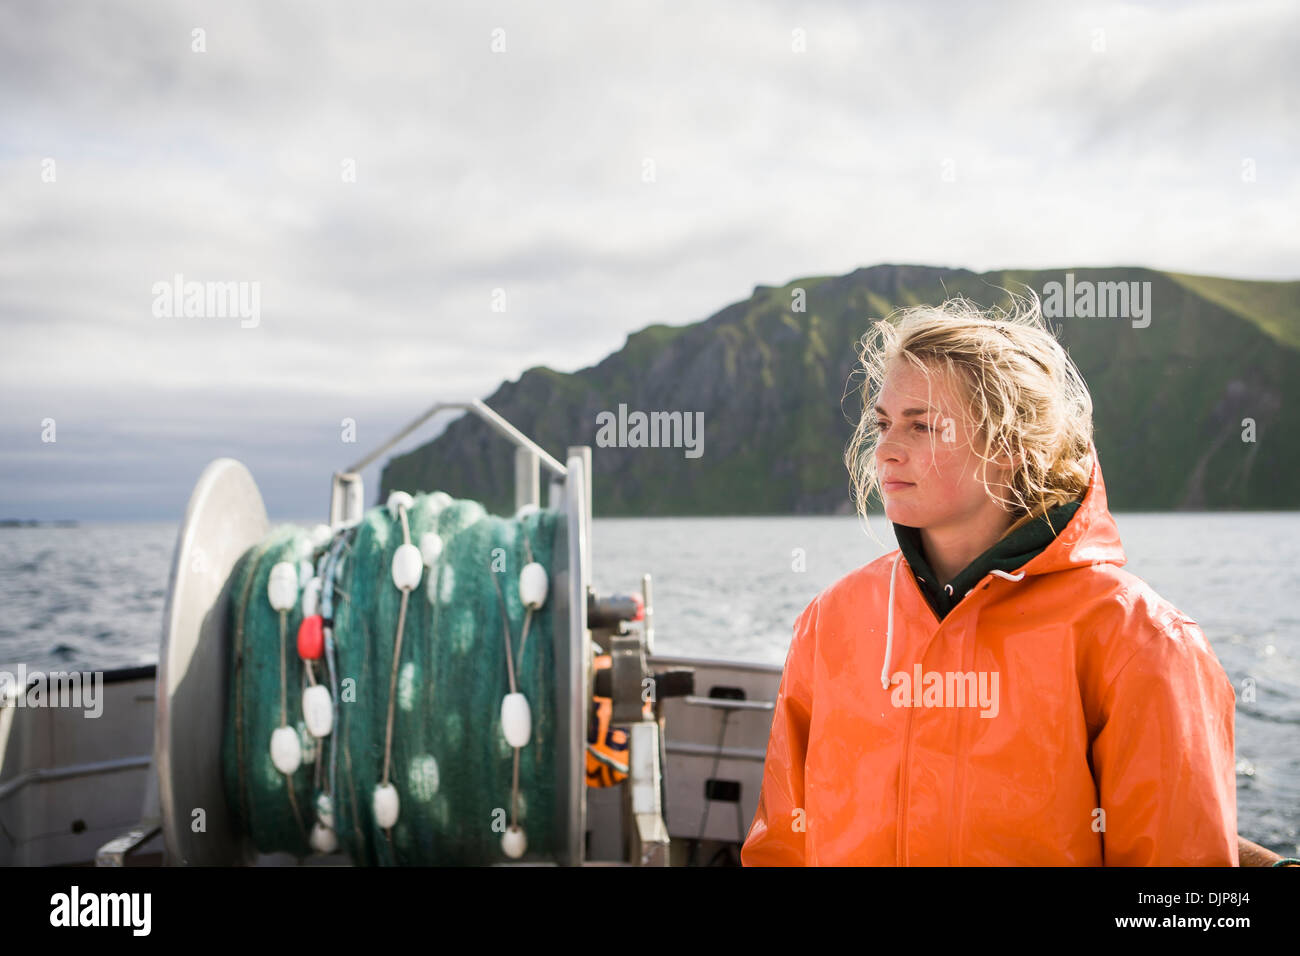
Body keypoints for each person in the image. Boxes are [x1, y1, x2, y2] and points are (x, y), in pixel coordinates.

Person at [741, 294, 1240, 866]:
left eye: (921, 426)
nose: (885, 450)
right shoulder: (832, 620)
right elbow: (782, 845)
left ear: (1007, 447)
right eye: (882, 424)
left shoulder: (1138, 641)